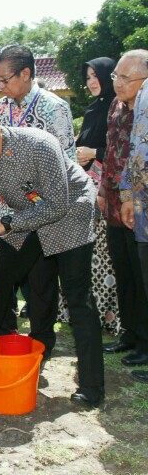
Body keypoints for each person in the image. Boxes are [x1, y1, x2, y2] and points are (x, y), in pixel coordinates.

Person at [0, 98, 104, 408]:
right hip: (28, 218)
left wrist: (6, 224)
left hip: (71, 212)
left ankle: (92, 385)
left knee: (78, 298)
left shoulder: (38, 144)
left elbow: (56, 205)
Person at [0, 44, 75, 354]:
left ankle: (41, 346)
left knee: (41, 285)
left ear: (26, 74)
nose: (0, 86)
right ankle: (1, 339)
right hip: (7, 212)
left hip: (43, 214)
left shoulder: (53, 108)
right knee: (2, 280)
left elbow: (66, 162)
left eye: (5, 79)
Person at [63, 57, 120, 333]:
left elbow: (120, 148)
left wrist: (93, 153)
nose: (91, 81)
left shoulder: (118, 108)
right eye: (87, 77)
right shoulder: (93, 109)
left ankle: (110, 315)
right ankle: (87, 311)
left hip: (109, 191)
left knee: (106, 255)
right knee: (87, 251)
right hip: (87, 190)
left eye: (96, 75)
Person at [102, 50, 148, 367]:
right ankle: (130, 332)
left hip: (141, 206)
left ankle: (146, 342)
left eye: (125, 78)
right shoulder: (116, 107)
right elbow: (109, 151)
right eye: (116, 76)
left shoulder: (144, 111)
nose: (118, 83)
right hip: (116, 205)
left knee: (142, 274)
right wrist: (104, 190)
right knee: (124, 273)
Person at [120, 53, 148, 384]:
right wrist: (128, 195)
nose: (119, 83)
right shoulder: (138, 100)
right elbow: (136, 152)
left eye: (126, 77)